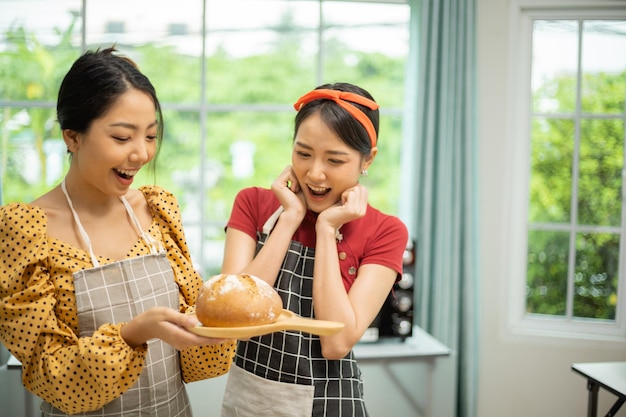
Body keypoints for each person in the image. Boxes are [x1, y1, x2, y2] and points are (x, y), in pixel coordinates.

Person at [0, 47, 235, 417]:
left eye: (151, 136)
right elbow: (49, 373)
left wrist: (212, 324)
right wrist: (132, 334)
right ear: (72, 137)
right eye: (123, 138)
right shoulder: (25, 231)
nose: (141, 154)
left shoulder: (159, 211)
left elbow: (193, 356)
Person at [219, 82, 409, 417]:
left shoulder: (386, 231)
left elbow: (336, 343)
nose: (314, 173)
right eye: (303, 154)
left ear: (368, 160)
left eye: (335, 160)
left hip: (330, 403)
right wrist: (291, 218)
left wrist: (326, 230)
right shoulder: (253, 204)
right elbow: (233, 315)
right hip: (248, 398)